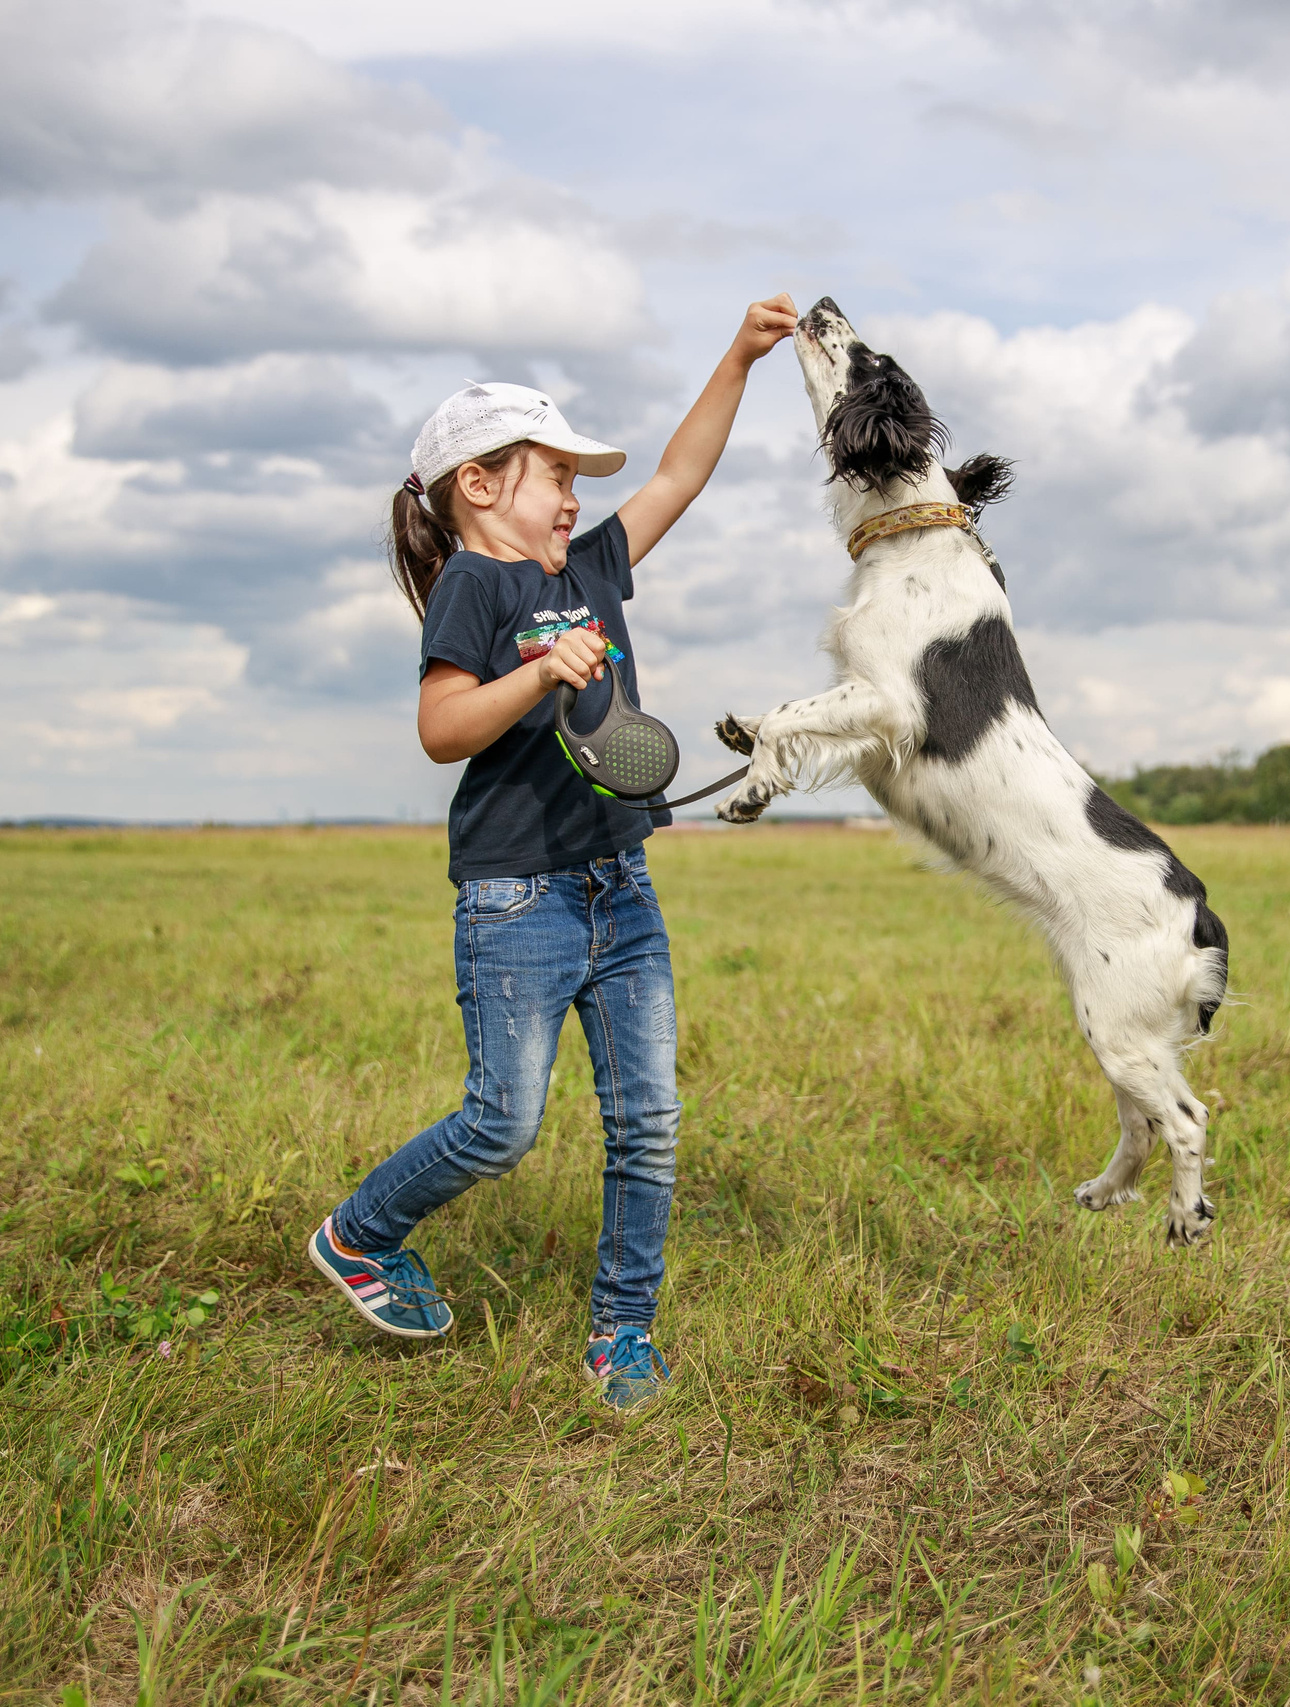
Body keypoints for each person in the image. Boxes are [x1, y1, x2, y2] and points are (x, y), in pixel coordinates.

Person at [308, 295, 799, 1407]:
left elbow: (677, 476)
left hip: (619, 889)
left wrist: (738, 356)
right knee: (502, 1122)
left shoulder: (589, 570)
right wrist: (538, 672)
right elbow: (442, 731)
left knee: (648, 1124)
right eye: (556, 477)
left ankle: (620, 1334)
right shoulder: (474, 587)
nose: (578, 499)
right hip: (516, 899)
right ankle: (361, 1236)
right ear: (479, 486)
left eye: (580, 483)